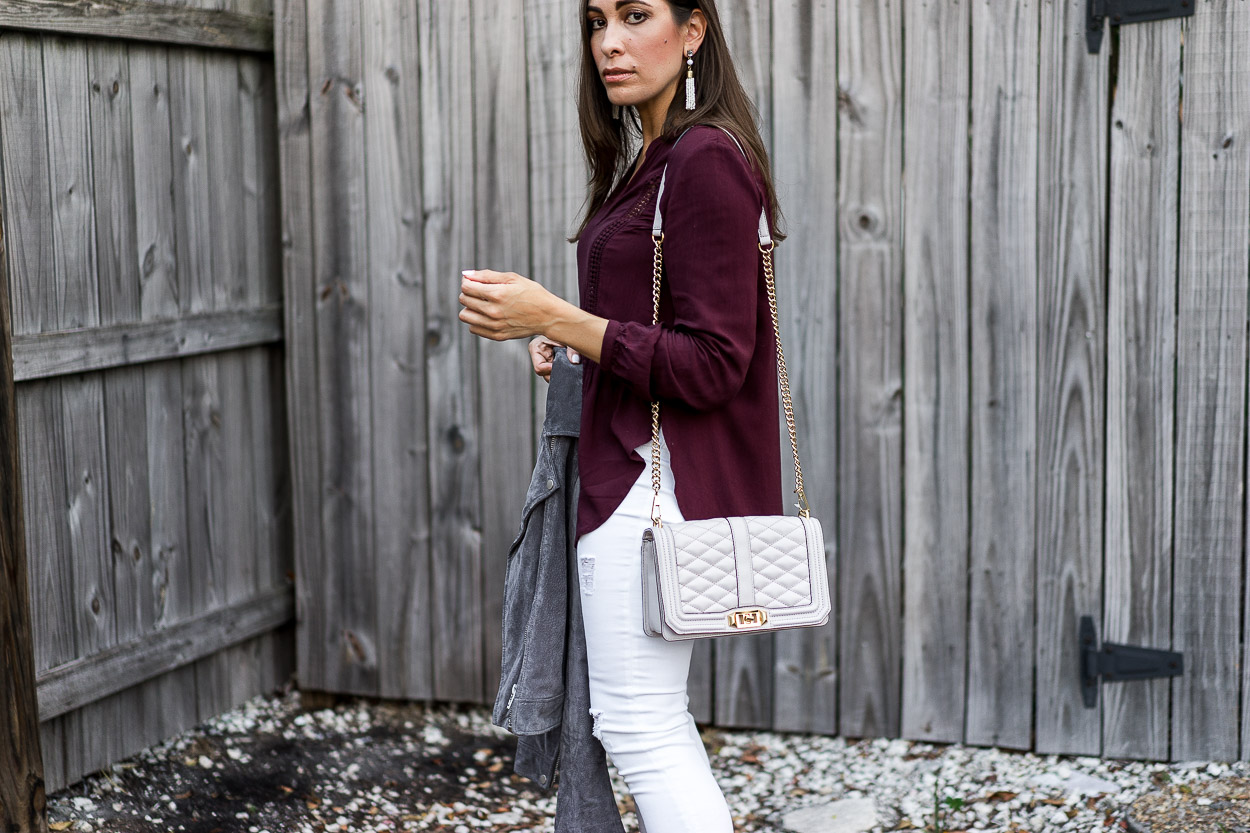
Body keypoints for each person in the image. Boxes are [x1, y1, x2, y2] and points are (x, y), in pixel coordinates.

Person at [458, 1, 786, 829]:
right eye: (597, 20)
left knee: (641, 725)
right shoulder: (655, 157)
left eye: (636, 15)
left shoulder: (705, 157)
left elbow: (715, 362)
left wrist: (561, 317)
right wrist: (569, 343)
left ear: (694, 30)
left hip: (651, 485)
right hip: (630, 474)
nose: (608, 41)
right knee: (645, 720)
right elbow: (655, 322)